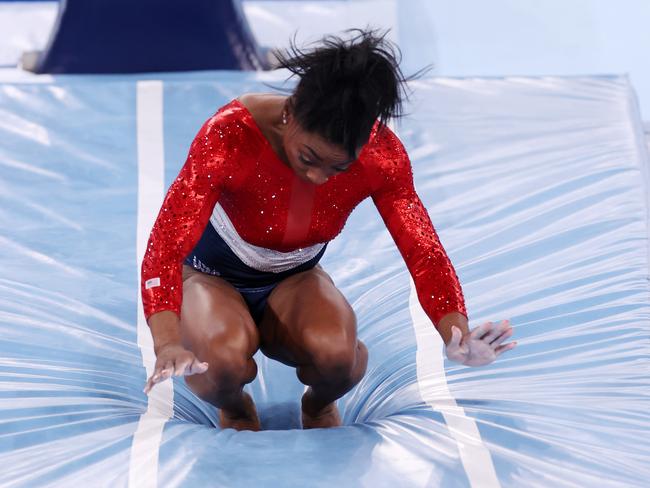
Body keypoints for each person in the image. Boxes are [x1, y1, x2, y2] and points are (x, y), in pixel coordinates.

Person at [140, 29, 517, 431]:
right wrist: (167, 342)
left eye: (339, 168)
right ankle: (233, 406)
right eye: (309, 156)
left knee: (337, 356)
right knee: (221, 362)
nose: (319, 177)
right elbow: (165, 245)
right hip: (211, 277)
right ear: (292, 109)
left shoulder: (381, 157)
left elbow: (423, 251)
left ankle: (318, 405)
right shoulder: (230, 135)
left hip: (294, 279)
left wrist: (455, 332)